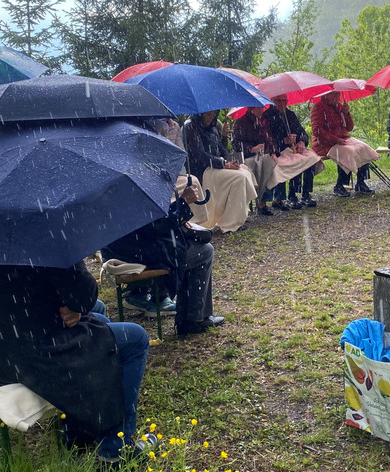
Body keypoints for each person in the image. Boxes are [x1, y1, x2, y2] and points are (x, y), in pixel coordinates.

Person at [0, 261, 149, 466]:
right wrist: (75, 300)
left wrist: (72, 308)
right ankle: (115, 450)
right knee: (136, 339)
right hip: (34, 352)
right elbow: (83, 296)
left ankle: (80, 432)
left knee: (99, 321)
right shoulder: (46, 244)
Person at [102, 185, 225, 336]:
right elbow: (157, 227)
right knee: (204, 251)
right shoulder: (131, 189)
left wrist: (177, 214)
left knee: (188, 247)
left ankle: (186, 316)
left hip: (121, 249)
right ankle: (193, 319)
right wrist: (183, 203)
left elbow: (151, 222)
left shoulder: (113, 188)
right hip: (137, 252)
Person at [183, 110, 257, 233]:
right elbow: (199, 155)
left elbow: (221, 148)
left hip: (216, 165)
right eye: (208, 114)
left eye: (213, 115)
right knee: (239, 178)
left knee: (245, 170)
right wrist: (223, 164)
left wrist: (231, 161)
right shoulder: (190, 126)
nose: (211, 117)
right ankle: (230, 223)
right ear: (200, 114)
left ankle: (237, 214)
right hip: (203, 170)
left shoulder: (213, 127)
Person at [311, 91, 379, 197]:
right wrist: (335, 139)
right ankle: (340, 185)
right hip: (324, 144)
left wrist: (346, 113)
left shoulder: (339, 107)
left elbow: (349, 127)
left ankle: (361, 182)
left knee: (363, 148)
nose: (336, 97)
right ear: (326, 95)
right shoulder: (318, 108)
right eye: (334, 94)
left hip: (343, 139)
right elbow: (317, 131)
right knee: (347, 153)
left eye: (338, 94)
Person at [264, 94, 320, 208]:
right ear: (272, 100)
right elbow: (267, 140)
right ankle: (291, 194)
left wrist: (302, 142)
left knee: (312, 158)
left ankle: (306, 193)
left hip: (293, 149)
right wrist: (284, 141)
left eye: (284, 101)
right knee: (295, 162)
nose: (282, 103)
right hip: (278, 151)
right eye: (279, 100)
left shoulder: (290, 114)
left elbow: (302, 133)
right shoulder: (267, 117)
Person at [231, 106, 281, 216]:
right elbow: (236, 144)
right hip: (246, 157)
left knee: (269, 164)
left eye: (262, 108)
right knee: (258, 165)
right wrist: (252, 149)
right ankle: (259, 201)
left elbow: (269, 139)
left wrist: (273, 152)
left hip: (263, 155)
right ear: (251, 109)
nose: (261, 110)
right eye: (258, 108)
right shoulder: (241, 123)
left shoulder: (263, 122)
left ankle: (263, 201)